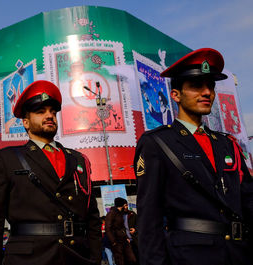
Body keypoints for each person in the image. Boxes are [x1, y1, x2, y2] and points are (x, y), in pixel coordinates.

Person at [134, 48, 253, 265]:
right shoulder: (157, 143)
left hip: (238, 253)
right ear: (176, 95)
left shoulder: (228, 144)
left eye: (211, 86)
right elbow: (149, 220)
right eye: (197, 86)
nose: (207, 92)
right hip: (188, 257)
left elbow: (249, 201)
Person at [0, 80, 102, 265]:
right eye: (41, 112)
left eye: (52, 111)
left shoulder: (79, 160)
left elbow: (92, 218)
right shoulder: (5, 158)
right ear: (25, 122)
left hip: (77, 257)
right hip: (28, 259)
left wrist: (95, 258)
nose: (49, 115)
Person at [105, 198, 137, 265]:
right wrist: (113, 241)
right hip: (116, 241)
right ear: (121, 205)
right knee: (120, 261)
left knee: (132, 259)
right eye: (125, 205)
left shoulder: (120, 213)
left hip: (124, 240)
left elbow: (122, 227)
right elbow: (108, 228)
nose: (126, 206)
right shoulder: (111, 213)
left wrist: (126, 237)